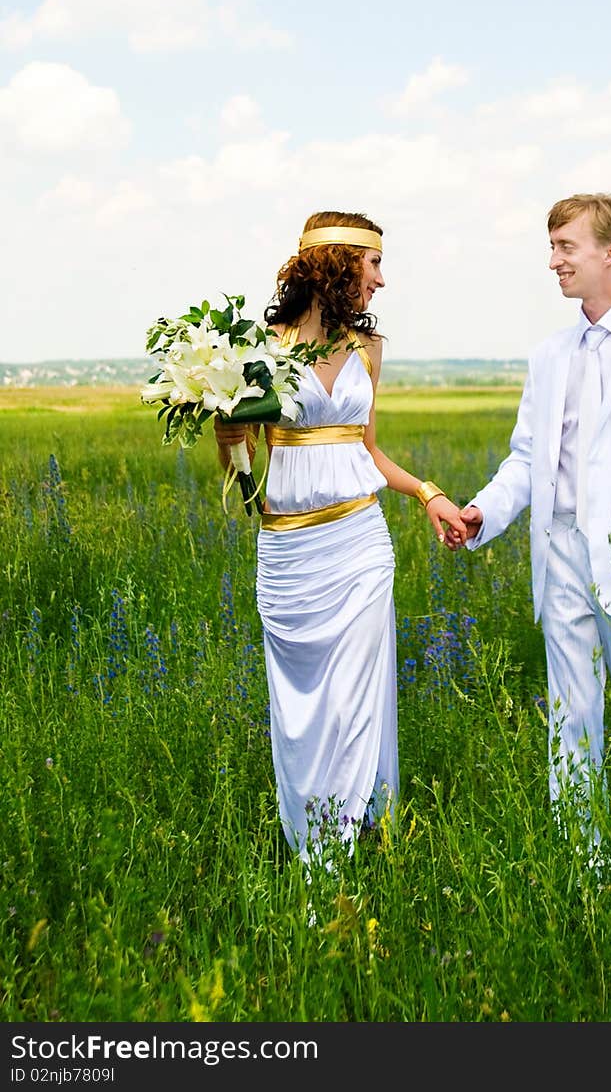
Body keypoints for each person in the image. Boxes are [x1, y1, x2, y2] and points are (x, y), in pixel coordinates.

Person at [445, 193, 611, 856]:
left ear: (610, 252)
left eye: (566, 247)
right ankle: (583, 865)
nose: (554, 261)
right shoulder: (548, 356)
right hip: (557, 552)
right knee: (570, 718)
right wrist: (485, 511)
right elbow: (526, 459)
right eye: (553, 246)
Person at [215, 210, 467, 867]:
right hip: (289, 550)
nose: (382, 280)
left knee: (357, 700)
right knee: (302, 711)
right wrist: (230, 446)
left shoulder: (368, 349)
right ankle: (311, 843)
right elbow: (244, 475)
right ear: (336, 264)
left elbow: (369, 450)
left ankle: (349, 847)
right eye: (373, 264)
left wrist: (427, 492)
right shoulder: (258, 347)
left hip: (359, 542)